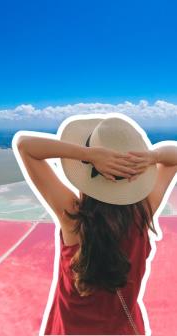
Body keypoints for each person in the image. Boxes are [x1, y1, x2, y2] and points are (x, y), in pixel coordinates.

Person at [12, 113, 177, 335]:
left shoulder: (74, 219)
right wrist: (151, 157)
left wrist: (88, 154)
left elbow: (26, 147)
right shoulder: (142, 213)